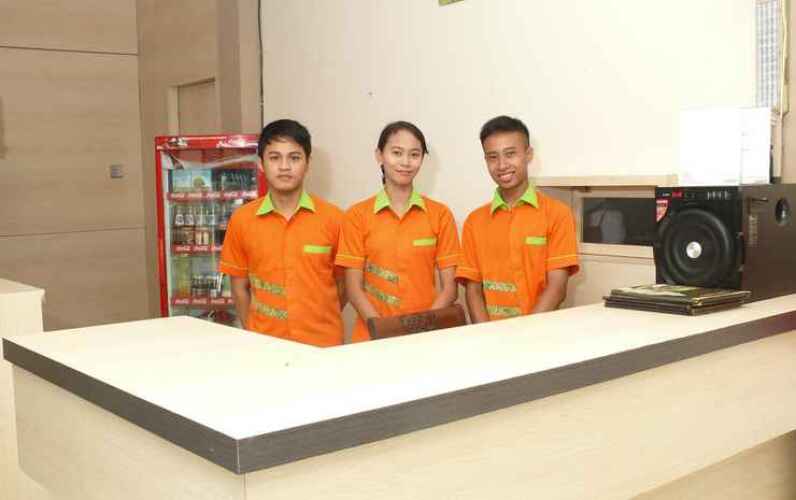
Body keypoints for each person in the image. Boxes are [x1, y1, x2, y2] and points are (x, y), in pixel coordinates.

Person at [219, 119, 346, 347]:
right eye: (275, 157)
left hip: (323, 346)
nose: (284, 166)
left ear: (307, 163)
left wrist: (320, 318)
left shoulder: (334, 219)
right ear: (261, 163)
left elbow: (344, 285)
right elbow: (239, 288)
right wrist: (254, 334)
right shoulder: (242, 220)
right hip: (265, 346)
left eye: (294, 158)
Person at [335, 121, 460, 342]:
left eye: (414, 154)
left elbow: (450, 289)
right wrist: (383, 329)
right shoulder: (356, 216)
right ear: (379, 156)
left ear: (422, 159)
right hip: (372, 336)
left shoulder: (440, 214)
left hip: (427, 337)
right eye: (396, 153)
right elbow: (353, 289)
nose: (405, 162)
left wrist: (422, 327)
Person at [456, 116, 579, 323]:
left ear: (528, 154)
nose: (502, 165)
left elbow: (557, 288)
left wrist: (524, 334)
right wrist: (485, 334)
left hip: (540, 333)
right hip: (490, 335)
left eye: (510, 154)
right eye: (493, 157)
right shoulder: (474, 221)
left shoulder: (558, 214)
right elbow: (473, 290)